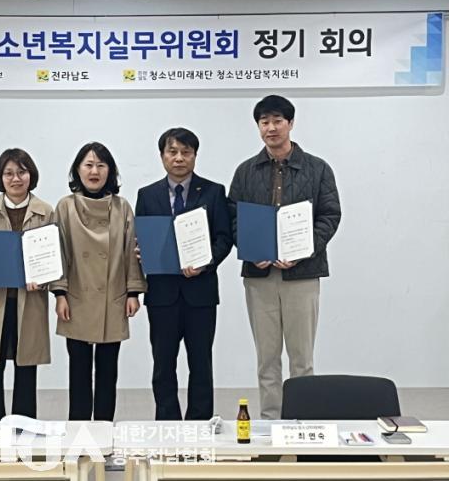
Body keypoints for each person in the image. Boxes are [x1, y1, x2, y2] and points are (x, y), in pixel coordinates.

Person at [228, 95, 341, 419]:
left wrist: (303, 250)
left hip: (301, 275)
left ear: (290, 123)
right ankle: (270, 421)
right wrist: (251, 250)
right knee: (267, 358)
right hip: (260, 276)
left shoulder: (317, 169)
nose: (271, 128)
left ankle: (302, 420)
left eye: (278, 121)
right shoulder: (246, 171)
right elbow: (233, 217)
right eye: (264, 122)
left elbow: (330, 215)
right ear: (258, 127)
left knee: (302, 358)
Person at [135, 127, 233, 420]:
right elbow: (141, 239)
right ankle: (167, 424)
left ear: (195, 155)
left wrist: (205, 262)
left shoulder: (213, 191)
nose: (179, 158)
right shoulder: (147, 195)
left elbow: (224, 238)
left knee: (201, 364)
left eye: (185, 152)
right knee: (163, 365)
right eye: (172, 152)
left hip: (200, 294)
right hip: (162, 295)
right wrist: (141, 251)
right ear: (162, 155)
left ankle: (200, 425)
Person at [50, 142, 147, 421]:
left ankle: (104, 427)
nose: (95, 171)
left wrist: (133, 292)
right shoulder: (65, 206)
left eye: (101, 165)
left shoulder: (122, 207)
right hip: (75, 298)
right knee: (78, 369)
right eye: (89, 165)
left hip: (113, 296)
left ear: (110, 171)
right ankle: (78, 428)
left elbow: (131, 250)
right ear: (78, 170)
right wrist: (59, 294)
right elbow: (58, 251)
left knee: (108, 370)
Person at [0, 148, 54, 421]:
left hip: (30, 302)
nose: (16, 179)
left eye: (21, 172)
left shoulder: (46, 212)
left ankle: (24, 430)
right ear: (0, 177)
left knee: (26, 369)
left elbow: (54, 257)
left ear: (31, 175)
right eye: (9, 173)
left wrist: (44, 278)